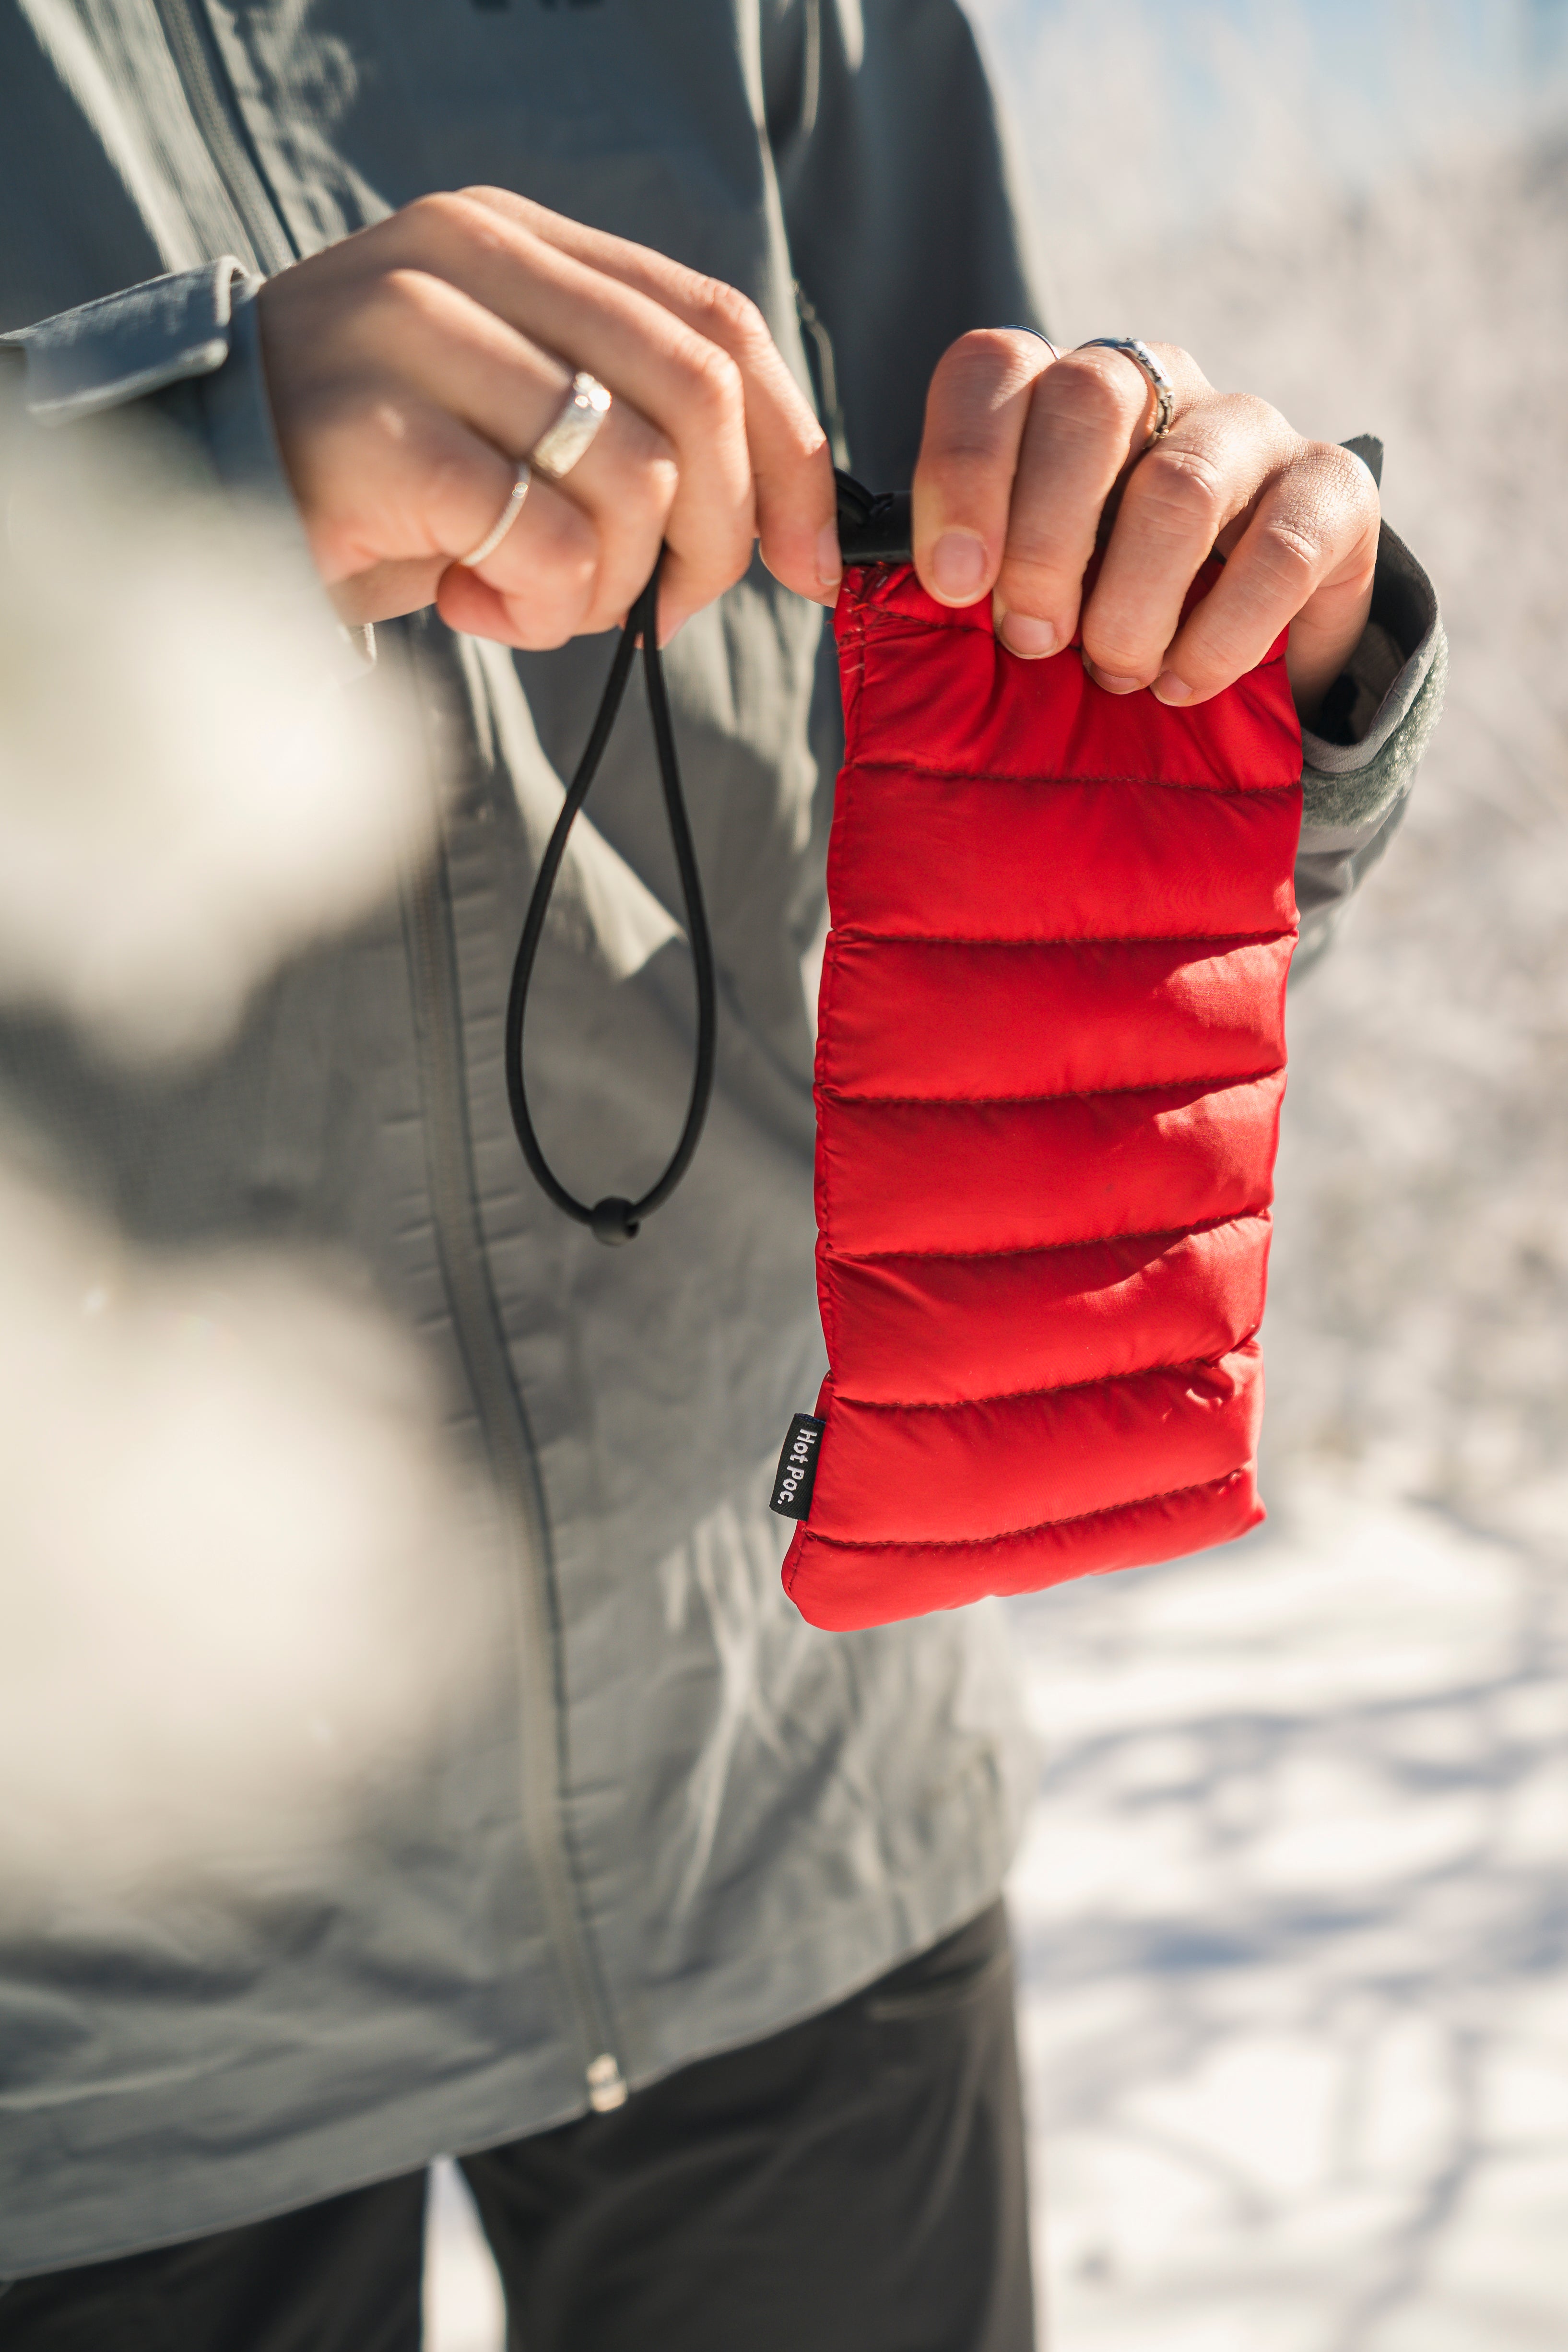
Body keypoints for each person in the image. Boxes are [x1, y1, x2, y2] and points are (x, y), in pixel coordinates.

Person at [0, 4, 1442, 2346]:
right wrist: (172, 486)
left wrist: (1237, 667)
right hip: (85, 1997)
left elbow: (1004, 761)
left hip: (793, 1824)